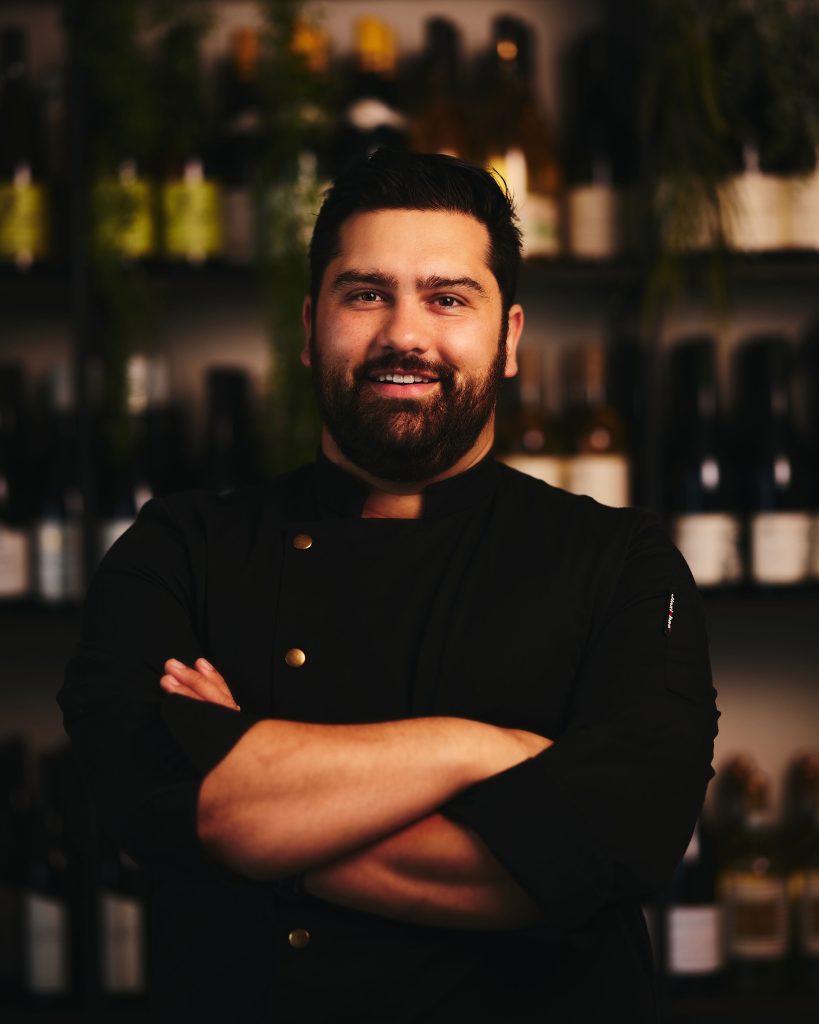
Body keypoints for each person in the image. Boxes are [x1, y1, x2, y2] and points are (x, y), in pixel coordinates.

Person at [59, 149, 718, 1022]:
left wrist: (250, 811)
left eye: (448, 298)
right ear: (308, 326)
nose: (404, 333)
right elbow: (140, 805)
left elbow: (613, 848)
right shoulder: (181, 548)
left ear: (510, 338)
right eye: (365, 293)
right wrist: (477, 751)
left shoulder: (620, 563)